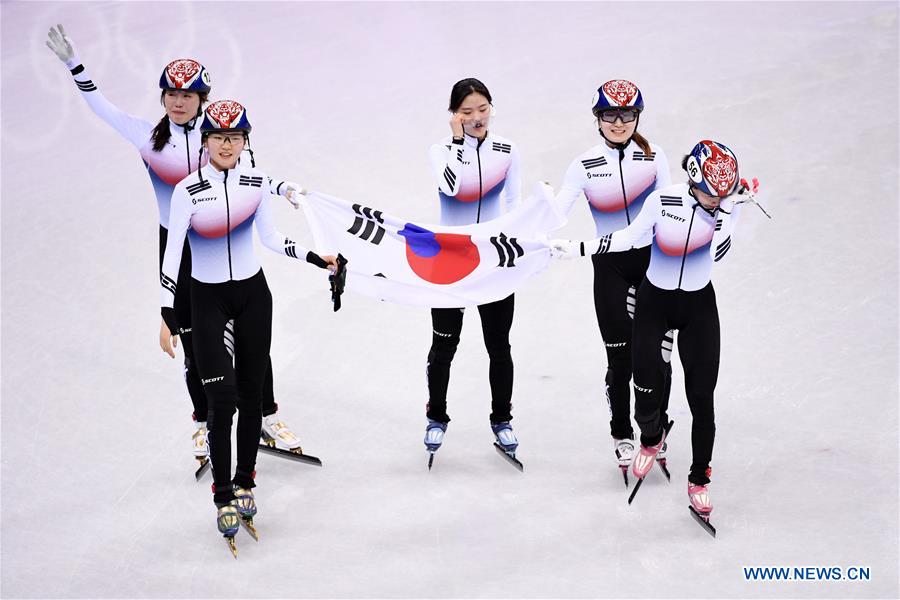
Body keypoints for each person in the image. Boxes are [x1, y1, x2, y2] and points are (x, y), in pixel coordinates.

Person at [45, 25, 306, 464]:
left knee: (249, 341)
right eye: (171, 93)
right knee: (191, 340)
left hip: (217, 240)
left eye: (187, 95)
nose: (179, 101)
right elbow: (102, 108)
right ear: (163, 97)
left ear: (203, 99)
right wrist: (74, 64)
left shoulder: (218, 139)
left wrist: (284, 190)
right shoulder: (149, 139)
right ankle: (204, 422)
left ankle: (264, 414)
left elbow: (253, 177)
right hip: (176, 247)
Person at [159, 99, 338, 546]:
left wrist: (317, 257)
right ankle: (221, 495)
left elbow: (272, 239)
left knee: (252, 395)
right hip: (207, 300)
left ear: (244, 142)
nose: (226, 145)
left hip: (254, 296)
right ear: (206, 141)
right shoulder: (187, 191)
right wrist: (167, 313)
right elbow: (172, 254)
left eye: (234, 138)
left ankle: (245, 484)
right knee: (222, 401)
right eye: (218, 137)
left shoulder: (254, 183)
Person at [552, 140, 754, 518]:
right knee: (645, 396)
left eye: (722, 194)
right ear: (693, 180)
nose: (716, 200)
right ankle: (649, 438)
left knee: (702, 402)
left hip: (698, 309)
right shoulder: (663, 202)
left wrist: (728, 211)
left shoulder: (726, 207)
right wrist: (579, 248)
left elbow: (718, 254)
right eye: (711, 194)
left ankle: (699, 480)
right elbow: (629, 238)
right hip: (653, 305)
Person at [553, 79, 674, 482]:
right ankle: (622, 433)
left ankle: (658, 425)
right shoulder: (583, 164)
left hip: (652, 266)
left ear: (637, 116)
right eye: (610, 115)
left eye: (626, 115)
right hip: (610, 266)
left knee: (659, 356)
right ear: (598, 119)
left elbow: (672, 212)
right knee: (620, 358)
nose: (619, 123)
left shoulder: (654, 157)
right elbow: (557, 212)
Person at [424, 78, 522, 458]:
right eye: (467, 112)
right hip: (449, 262)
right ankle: (436, 416)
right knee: (444, 346)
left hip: (493, 263)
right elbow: (451, 188)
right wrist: (458, 143)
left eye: (483, 109)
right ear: (454, 116)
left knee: (499, 346)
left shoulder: (507, 149)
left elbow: (514, 203)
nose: (477, 118)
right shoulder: (440, 151)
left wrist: (514, 245)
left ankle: (502, 419)